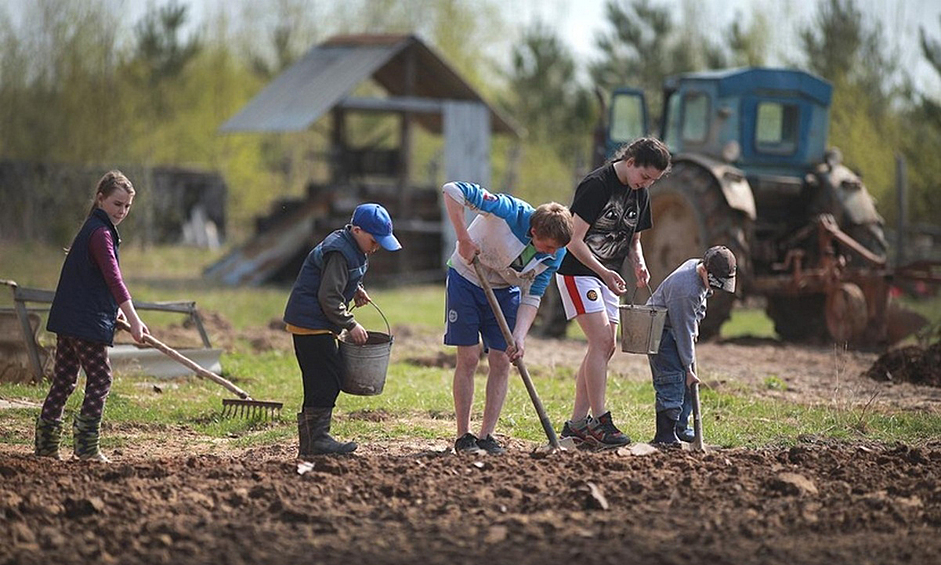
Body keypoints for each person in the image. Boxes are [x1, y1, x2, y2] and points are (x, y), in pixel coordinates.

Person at [555, 137, 671, 448]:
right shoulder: (597, 185)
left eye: (652, 181)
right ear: (630, 161)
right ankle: (600, 420)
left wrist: (639, 263)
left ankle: (577, 424)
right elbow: (574, 240)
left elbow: (633, 240)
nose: (645, 184)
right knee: (601, 340)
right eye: (644, 176)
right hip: (579, 272)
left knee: (605, 349)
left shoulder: (640, 193)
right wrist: (604, 271)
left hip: (608, 278)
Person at [443, 181, 573, 455]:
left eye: (556, 249)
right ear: (534, 231)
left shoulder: (555, 253)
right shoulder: (506, 210)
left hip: (504, 290)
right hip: (466, 277)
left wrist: (520, 335)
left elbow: (532, 295)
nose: (551, 253)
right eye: (547, 246)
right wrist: (463, 237)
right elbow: (452, 190)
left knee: (502, 360)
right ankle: (463, 436)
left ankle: (487, 435)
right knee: (468, 357)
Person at [35, 170, 149, 462]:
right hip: (84, 323)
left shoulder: (93, 229)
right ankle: (86, 447)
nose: (122, 211)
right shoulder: (100, 233)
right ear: (101, 199)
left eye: (126, 206)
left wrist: (113, 315)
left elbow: (92, 283)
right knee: (101, 379)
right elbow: (114, 279)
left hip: (70, 318)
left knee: (64, 380)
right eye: (116, 204)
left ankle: (46, 446)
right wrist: (134, 319)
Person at [283, 203, 402, 457]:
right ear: (357, 230)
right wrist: (350, 323)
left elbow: (338, 279)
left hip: (318, 324)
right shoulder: (339, 251)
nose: (377, 247)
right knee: (326, 380)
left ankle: (312, 444)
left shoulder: (354, 247)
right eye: (374, 241)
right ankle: (318, 441)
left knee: (321, 379)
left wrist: (356, 289)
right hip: (311, 323)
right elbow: (328, 296)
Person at [646, 245, 737, 445]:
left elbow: (696, 312)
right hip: (659, 331)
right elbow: (683, 330)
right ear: (704, 270)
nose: (713, 289)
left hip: (674, 327)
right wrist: (688, 367)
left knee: (687, 384)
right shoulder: (685, 290)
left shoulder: (699, 271)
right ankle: (665, 435)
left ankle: (680, 428)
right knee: (673, 381)